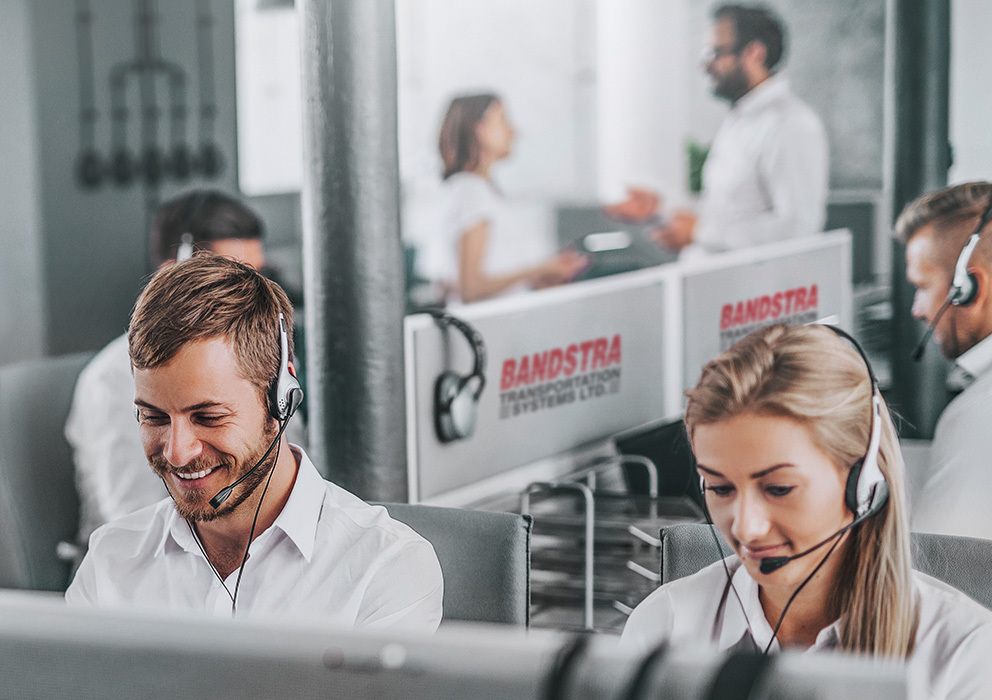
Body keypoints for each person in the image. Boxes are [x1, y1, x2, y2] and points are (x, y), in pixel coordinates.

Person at [65, 254, 443, 629]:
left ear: (281, 396)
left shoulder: (385, 571)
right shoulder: (110, 561)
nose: (177, 451)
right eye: (154, 417)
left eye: (208, 417)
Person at [621, 325, 992, 698]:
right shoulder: (664, 626)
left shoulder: (963, 653)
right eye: (720, 488)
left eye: (779, 488)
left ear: (862, 482)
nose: (746, 527)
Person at [65, 189, 291, 547]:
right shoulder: (112, 379)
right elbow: (136, 522)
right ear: (174, 273)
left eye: (257, 279)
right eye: (227, 280)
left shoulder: (267, 357)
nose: (249, 298)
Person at [607, 4, 828, 257]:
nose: (707, 65)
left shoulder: (790, 124)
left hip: (749, 292)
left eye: (716, 53)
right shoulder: (740, 120)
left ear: (755, 53)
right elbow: (729, 211)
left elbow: (798, 228)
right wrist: (659, 209)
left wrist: (700, 232)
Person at [897, 181, 992, 539]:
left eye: (922, 286)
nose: (917, 309)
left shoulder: (981, 412)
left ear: (968, 288)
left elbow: (935, 571)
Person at [426, 93, 587, 303]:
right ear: (478, 129)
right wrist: (540, 269)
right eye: (503, 120)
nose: (513, 131)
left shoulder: (482, 191)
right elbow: (470, 289)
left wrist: (539, 279)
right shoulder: (471, 192)